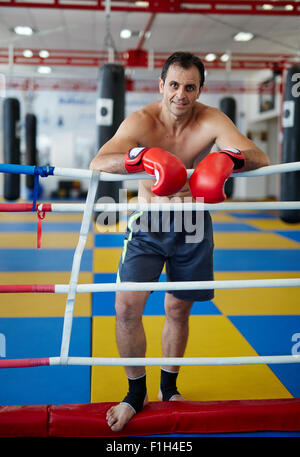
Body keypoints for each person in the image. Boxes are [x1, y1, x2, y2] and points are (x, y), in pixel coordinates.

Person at [90, 51, 270, 432]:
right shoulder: (142, 120)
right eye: (174, 85)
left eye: (190, 87)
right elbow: (100, 161)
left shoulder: (211, 120)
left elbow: (259, 155)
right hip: (148, 225)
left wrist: (226, 160)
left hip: (193, 225)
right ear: (161, 85)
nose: (180, 95)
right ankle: (135, 393)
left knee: (178, 310)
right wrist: (144, 158)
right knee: (125, 307)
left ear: (200, 89)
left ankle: (169, 388)